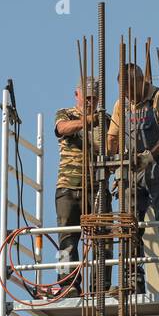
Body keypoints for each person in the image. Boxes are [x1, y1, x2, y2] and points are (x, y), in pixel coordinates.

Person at [106, 63, 159, 294]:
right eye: (124, 92)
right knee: (129, 225)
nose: (129, 96)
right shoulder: (122, 105)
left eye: (131, 90)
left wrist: (150, 155)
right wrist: (112, 158)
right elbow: (112, 137)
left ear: (141, 81)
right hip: (133, 172)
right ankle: (133, 280)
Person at [53, 80, 109, 294]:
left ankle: (100, 285)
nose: (90, 102)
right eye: (86, 98)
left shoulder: (105, 120)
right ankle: (68, 283)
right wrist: (89, 121)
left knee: (102, 238)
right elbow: (62, 128)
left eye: (94, 99)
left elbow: (114, 143)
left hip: (96, 187)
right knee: (67, 238)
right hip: (68, 185)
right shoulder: (65, 113)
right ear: (76, 94)